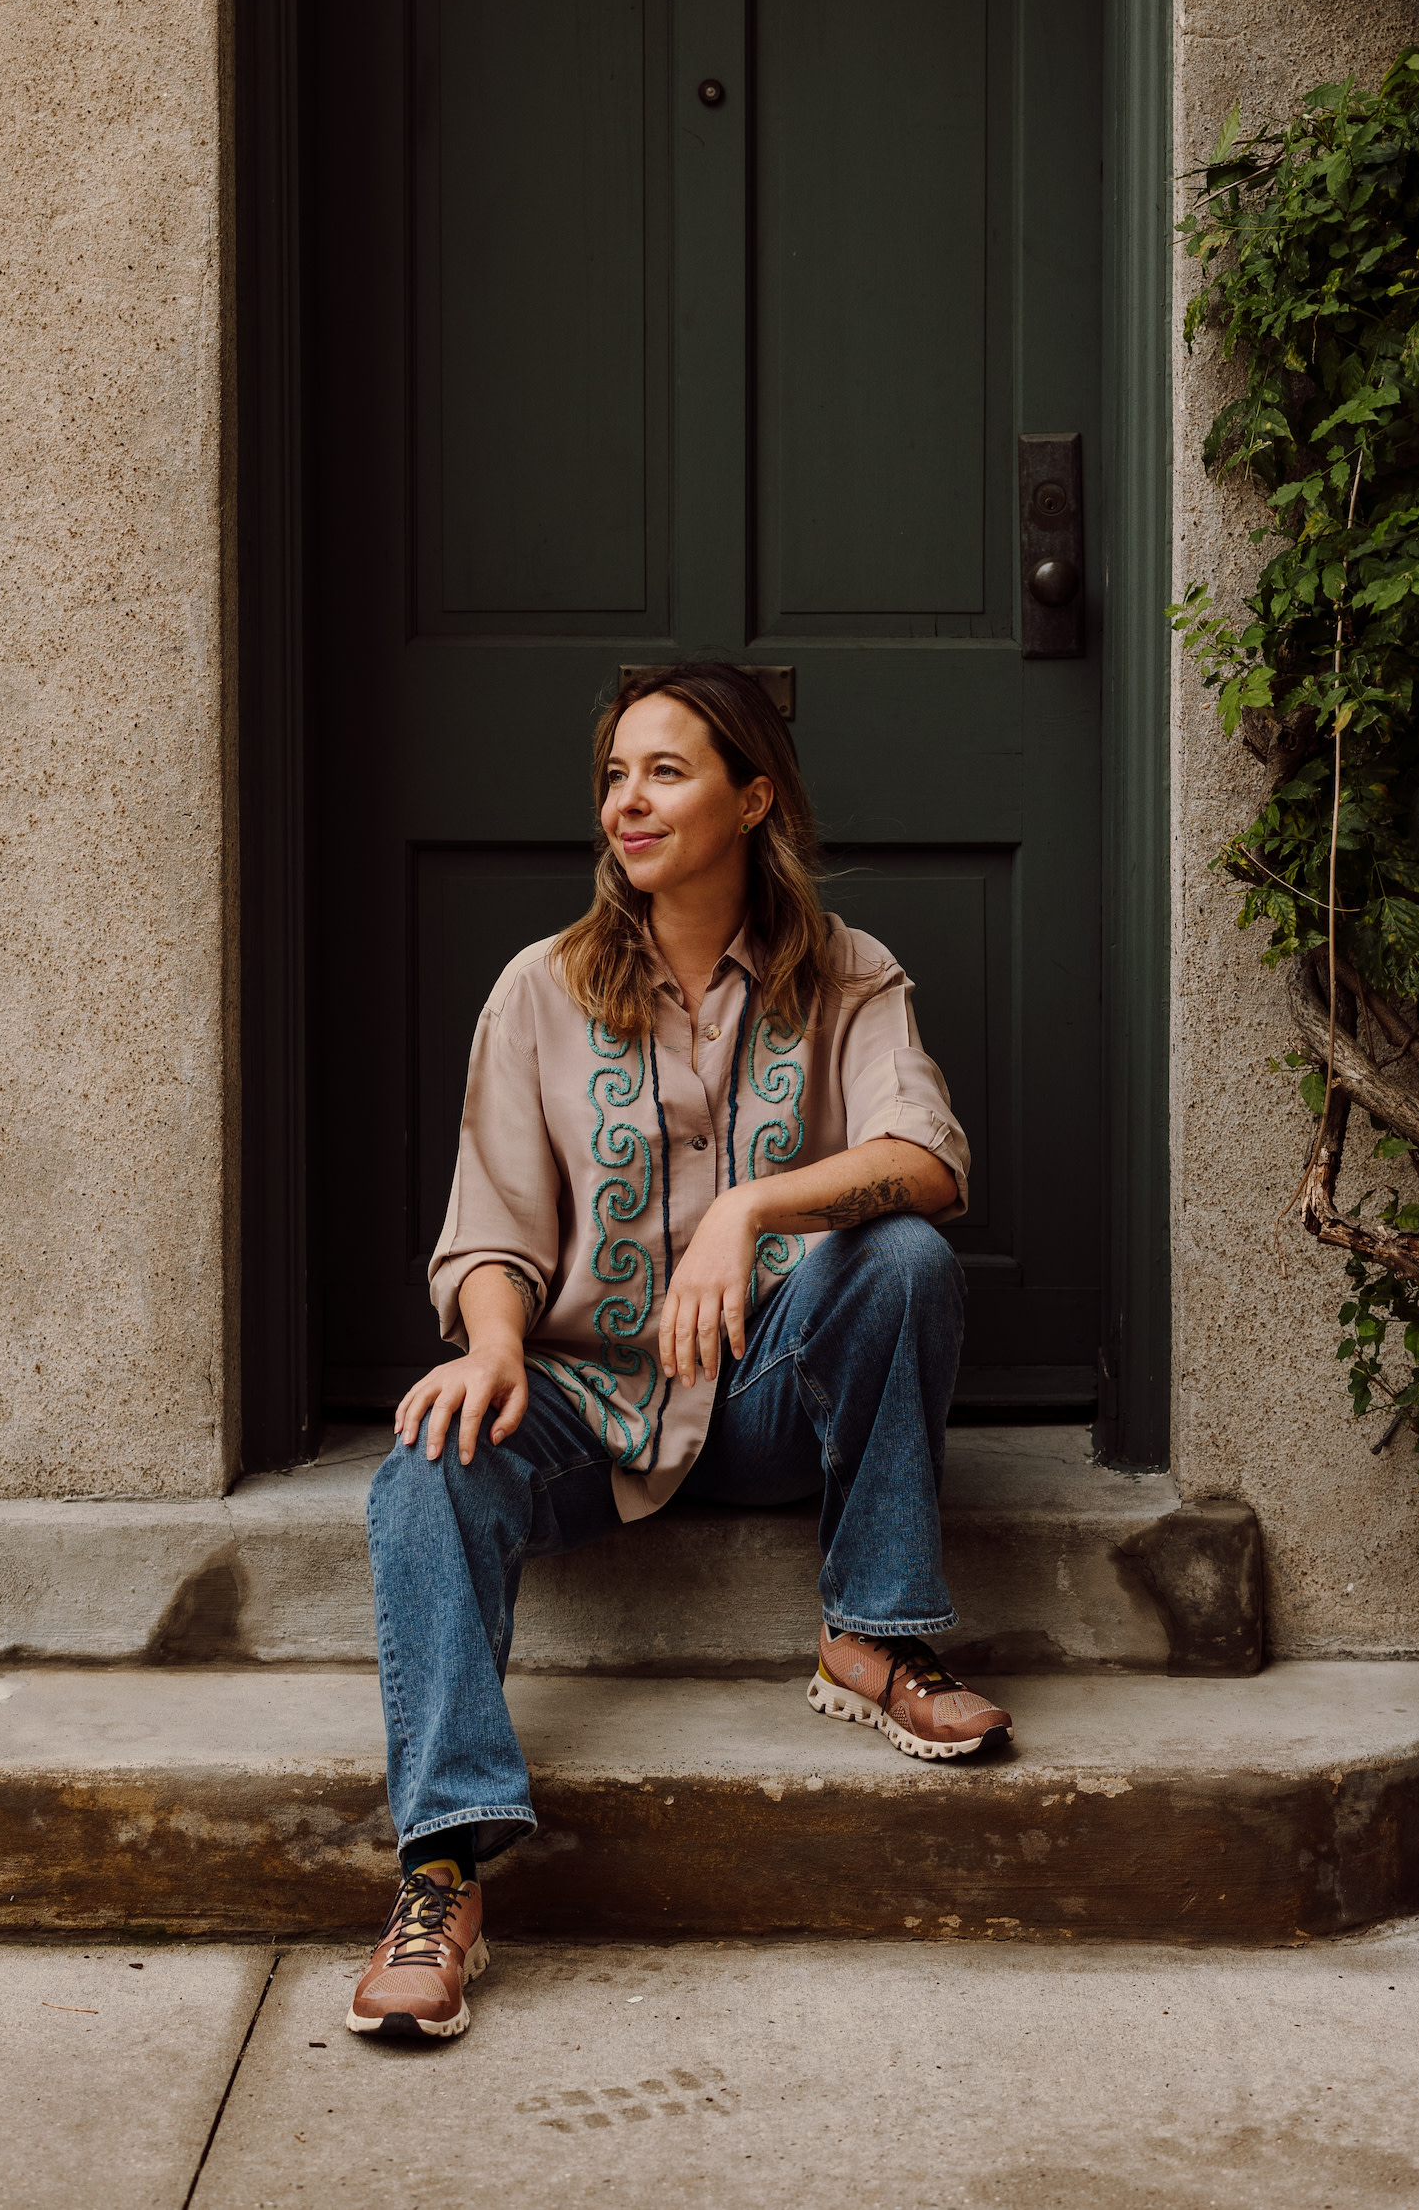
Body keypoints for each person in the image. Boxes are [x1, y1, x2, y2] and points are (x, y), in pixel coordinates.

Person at [348, 661, 1012, 2040]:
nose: (627, 803)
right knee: (425, 1460)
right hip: (592, 1406)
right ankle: (442, 1864)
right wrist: (487, 1345)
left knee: (902, 1255)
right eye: (614, 776)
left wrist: (756, 1209)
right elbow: (492, 1233)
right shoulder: (540, 991)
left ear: (752, 797)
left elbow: (931, 1161)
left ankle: (872, 1641)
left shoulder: (849, 974)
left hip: (768, 1398)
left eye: (665, 772)